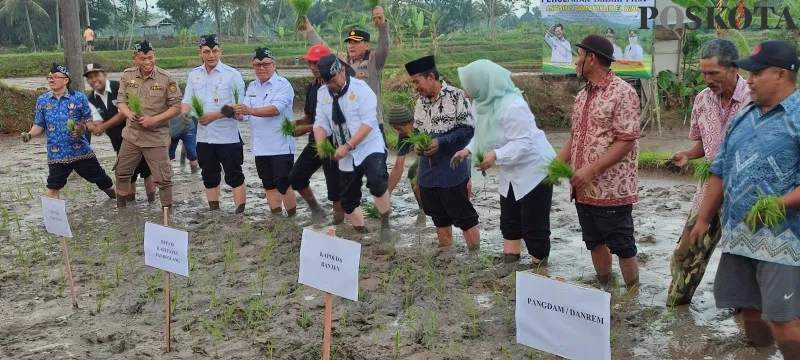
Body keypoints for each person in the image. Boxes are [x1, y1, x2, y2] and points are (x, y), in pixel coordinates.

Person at [689, 40, 800, 358]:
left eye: (756, 73)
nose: (748, 80)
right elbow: (719, 171)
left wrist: (776, 205)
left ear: (781, 75)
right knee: (747, 311)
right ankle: (760, 353)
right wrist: (703, 219)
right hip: (738, 234)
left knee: (784, 319)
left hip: (784, 241)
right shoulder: (743, 115)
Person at [667, 39, 750, 306]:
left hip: (746, 195)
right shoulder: (703, 100)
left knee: (744, 263)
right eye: (703, 72)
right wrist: (687, 155)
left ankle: (745, 324)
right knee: (685, 254)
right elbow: (705, 144)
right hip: (709, 192)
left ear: (733, 68)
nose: (707, 79)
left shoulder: (755, 100)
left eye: (713, 73)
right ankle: (676, 310)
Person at [557, 35, 640, 287]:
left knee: (623, 246)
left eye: (579, 56)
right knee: (593, 241)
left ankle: (633, 297)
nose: (575, 61)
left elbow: (626, 141)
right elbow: (576, 136)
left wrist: (590, 169)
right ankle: (605, 288)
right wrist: (554, 165)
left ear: (591, 59)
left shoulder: (622, 93)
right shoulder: (582, 96)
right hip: (583, 189)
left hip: (610, 189)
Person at [453, 60, 555, 263]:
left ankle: (540, 268)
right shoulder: (481, 103)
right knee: (509, 219)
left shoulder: (513, 105)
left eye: (467, 86)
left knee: (534, 224)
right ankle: (510, 260)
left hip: (534, 170)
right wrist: (468, 149)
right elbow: (483, 134)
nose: (464, 92)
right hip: (511, 168)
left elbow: (523, 142)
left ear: (481, 83)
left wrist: (496, 155)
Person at [403, 55, 480, 250]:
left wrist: (441, 142)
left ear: (430, 77)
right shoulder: (421, 102)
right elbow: (419, 131)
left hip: (452, 168)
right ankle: (446, 254)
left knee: (464, 216)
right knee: (438, 216)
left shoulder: (456, 97)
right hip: (428, 171)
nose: (415, 87)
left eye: (416, 82)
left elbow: (467, 130)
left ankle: (474, 255)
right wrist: (419, 144)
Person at [312, 54, 392, 240]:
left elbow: (369, 122)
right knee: (347, 200)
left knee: (377, 181)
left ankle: (385, 223)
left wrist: (348, 146)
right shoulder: (322, 94)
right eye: (326, 82)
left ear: (342, 70)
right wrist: (321, 143)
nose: (330, 86)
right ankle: (361, 232)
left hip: (368, 145)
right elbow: (321, 122)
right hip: (344, 153)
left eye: (333, 81)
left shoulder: (361, 90)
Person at [21, 63, 115, 199]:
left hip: (80, 152)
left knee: (102, 180)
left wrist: (82, 128)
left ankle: (118, 199)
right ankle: (53, 219)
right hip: (56, 154)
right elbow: (39, 125)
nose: (51, 80)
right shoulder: (42, 100)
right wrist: (29, 134)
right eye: (49, 77)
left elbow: (92, 123)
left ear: (66, 80)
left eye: (55, 77)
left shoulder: (78, 98)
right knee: (53, 186)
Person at [181, 35, 247, 213]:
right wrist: (184, 115)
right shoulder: (194, 75)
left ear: (220, 51)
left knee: (234, 175)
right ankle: (214, 212)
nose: (211, 55)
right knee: (209, 176)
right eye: (207, 51)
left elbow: (238, 107)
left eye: (215, 51)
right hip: (204, 137)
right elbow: (187, 100)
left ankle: (239, 214)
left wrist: (214, 115)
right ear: (200, 53)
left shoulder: (232, 75)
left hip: (228, 137)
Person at [288, 44, 352, 223]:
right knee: (296, 177)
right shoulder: (313, 87)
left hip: (335, 142)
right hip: (315, 141)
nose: (313, 68)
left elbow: (334, 121)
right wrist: (296, 123)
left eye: (316, 63)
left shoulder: (339, 86)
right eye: (310, 63)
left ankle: (338, 222)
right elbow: (310, 116)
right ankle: (316, 209)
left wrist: (306, 128)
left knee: (335, 188)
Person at [115, 40, 182, 210]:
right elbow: (121, 102)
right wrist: (128, 113)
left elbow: (177, 107)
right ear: (134, 59)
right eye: (142, 58)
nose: (147, 62)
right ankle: (121, 210)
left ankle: (167, 214)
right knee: (122, 173)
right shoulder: (127, 75)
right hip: (131, 136)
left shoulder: (166, 79)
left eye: (150, 58)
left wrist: (155, 119)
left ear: (155, 56)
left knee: (163, 179)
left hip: (155, 137)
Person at [234, 47, 297, 216]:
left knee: (283, 184)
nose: (261, 68)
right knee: (268, 183)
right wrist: (236, 114)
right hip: (260, 146)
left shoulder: (282, 85)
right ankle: (276, 216)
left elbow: (275, 109)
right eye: (257, 64)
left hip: (281, 145)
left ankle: (292, 217)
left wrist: (248, 110)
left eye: (265, 64)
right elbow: (244, 116)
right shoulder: (252, 87)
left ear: (273, 65)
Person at [304, 7, 390, 127]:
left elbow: (384, 46)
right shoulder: (341, 59)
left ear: (366, 45)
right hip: (349, 121)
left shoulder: (374, 60)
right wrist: (309, 28)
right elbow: (323, 49)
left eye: (356, 42)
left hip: (371, 122)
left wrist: (382, 25)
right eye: (350, 43)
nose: (351, 46)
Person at [84, 62, 157, 202]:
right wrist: (91, 128)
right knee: (127, 174)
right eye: (90, 78)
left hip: (137, 136)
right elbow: (97, 121)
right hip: (118, 142)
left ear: (104, 75)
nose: (94, 80)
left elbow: (124, 113)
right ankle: (130, 208)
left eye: (96, 75)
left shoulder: (120, 88)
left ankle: (151, 204)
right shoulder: (91, 99)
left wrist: (103, 127)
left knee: (147, 171)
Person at [386, 105, 424, 223]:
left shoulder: (424, 125)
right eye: (396, 130)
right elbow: (398, 167)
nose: (399, 132)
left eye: (399, 128)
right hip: (425, 155)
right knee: (413, 173)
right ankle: (423, 209)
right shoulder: (403, 135)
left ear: (412, 122)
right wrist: (385, 197)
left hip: (445, 152)